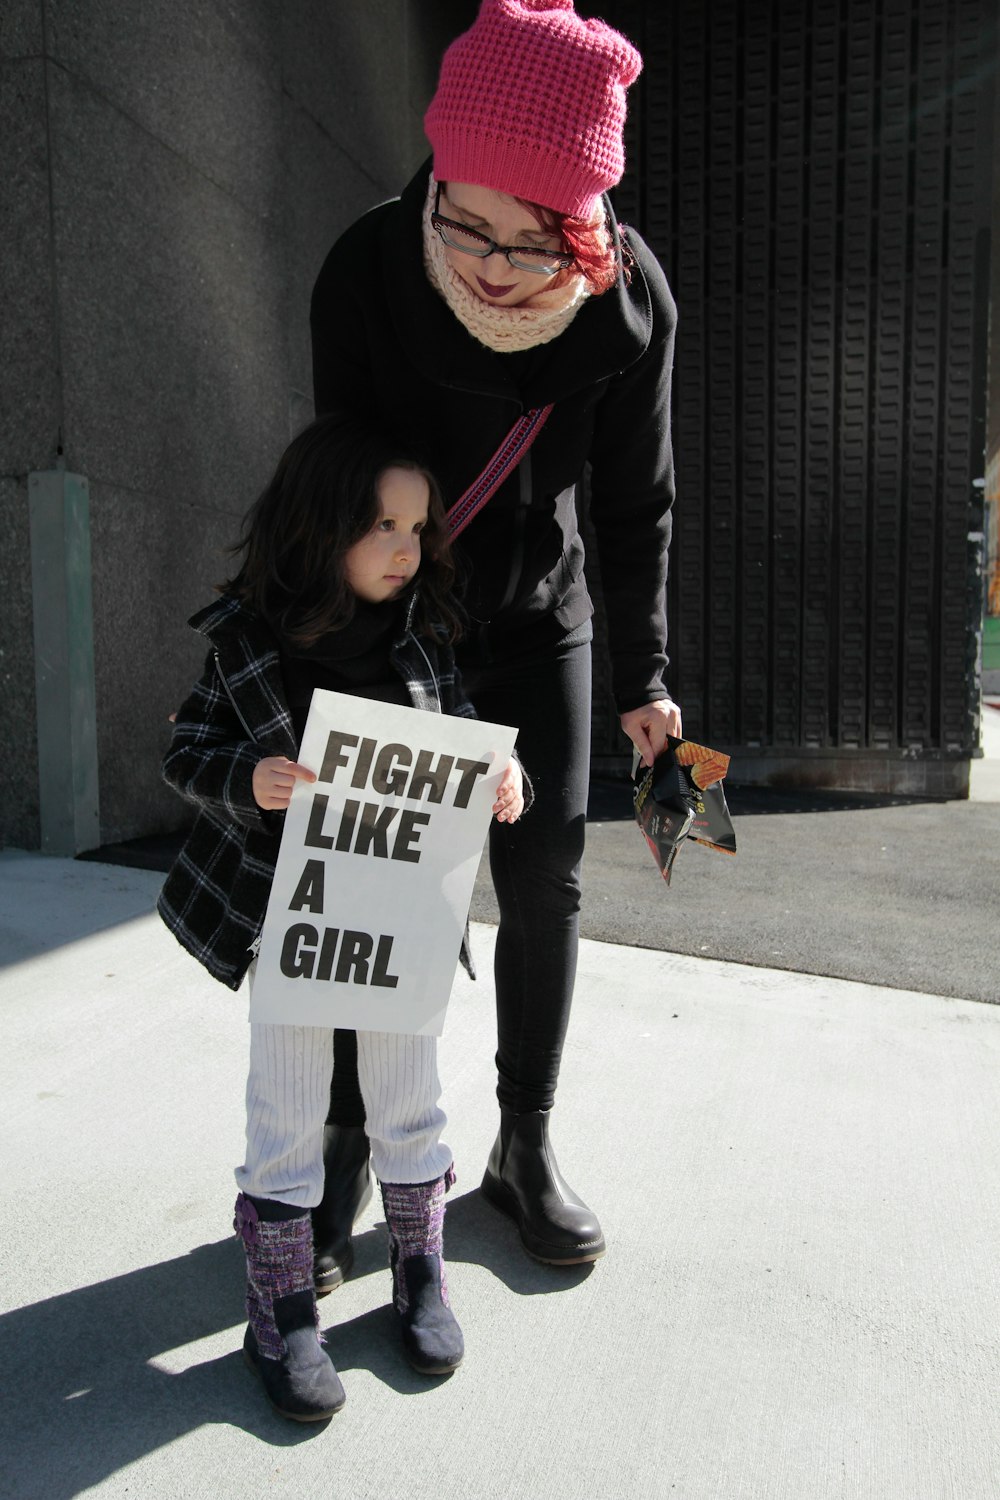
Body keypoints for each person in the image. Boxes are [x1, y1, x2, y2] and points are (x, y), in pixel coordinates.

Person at [309, 0, 682, 1275]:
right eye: (466, 218)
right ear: (436, 172)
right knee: (378, 882)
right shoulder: (367, 269)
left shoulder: (628, 306)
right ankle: (346, 1142)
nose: (490, 261)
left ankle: (524, 1142)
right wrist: (353, 663)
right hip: (397, 617)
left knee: (545, 876)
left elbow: (636, 505)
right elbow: (338, 492)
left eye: (534, 238)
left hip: (540, 613)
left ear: (586, 226)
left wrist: (646, 678)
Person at [157, 416, 525, 1422]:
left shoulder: (425, 636)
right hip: (293, 915)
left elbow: (461, 740)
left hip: (404, 908)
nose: (407, 549)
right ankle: (280, 1303)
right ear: (320, 527)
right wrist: (251, 776)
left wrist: (503, 773)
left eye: (418, 528)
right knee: (287, 1111)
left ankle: (418, 1271)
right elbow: (183, 753)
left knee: (410, 1100)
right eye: (382, 527)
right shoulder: (245, 643)